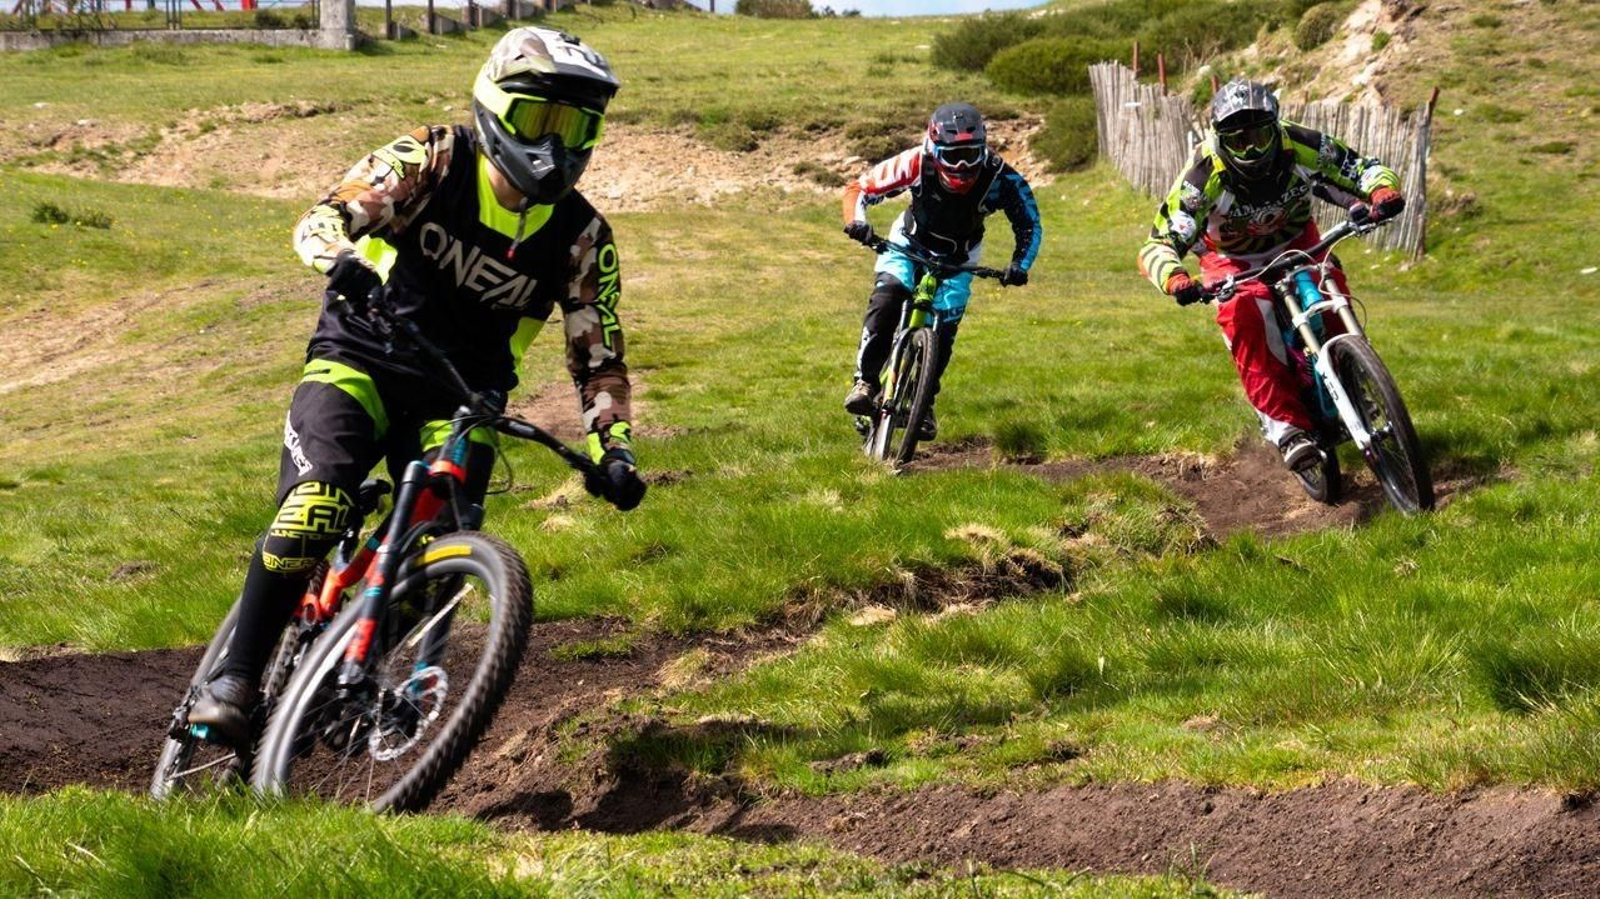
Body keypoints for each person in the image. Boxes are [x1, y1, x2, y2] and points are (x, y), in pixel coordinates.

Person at [188, 27, 646, 746]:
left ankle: (348, 670)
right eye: (537, 121)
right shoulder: (435, 155)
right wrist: (338, 254)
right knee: (314, 511)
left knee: (442, 552)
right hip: (359, 357)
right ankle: (233, 677)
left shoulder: (585, 237)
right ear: (494, 108)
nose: (555, 147)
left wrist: (614, 450)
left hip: (463, 399)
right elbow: (326, 214)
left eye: (577, 127)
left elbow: (600, 354)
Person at [1137, 78, 1406, 471]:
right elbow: (1159, 243)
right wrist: (1175, 278)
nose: (1252, 148)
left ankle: (1356, 377)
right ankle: (1285, 428)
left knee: (1330, 289)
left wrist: (1382, 191)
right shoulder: (1201, 177)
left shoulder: (1301, 143)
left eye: (1260, 135)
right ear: (1219, 138)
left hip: (1300, 242)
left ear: (1276, 127)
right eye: (1238, 139)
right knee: (1245, 314)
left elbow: (1359, 168)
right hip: (1233, 260)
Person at [840, 102, 1041, 440]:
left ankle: (925, 402)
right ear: (934, 148)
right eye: (952, 154)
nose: (962, 165)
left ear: (984, 148)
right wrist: (857, 223)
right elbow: (859, 189)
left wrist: (1020, 266)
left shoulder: (1001, 177)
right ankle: (866, 381)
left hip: (959, 258)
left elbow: (1029, 224)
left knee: (945, 330)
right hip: (906, 244)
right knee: (887, 298)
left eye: (970, 153)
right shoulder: (916, 162)